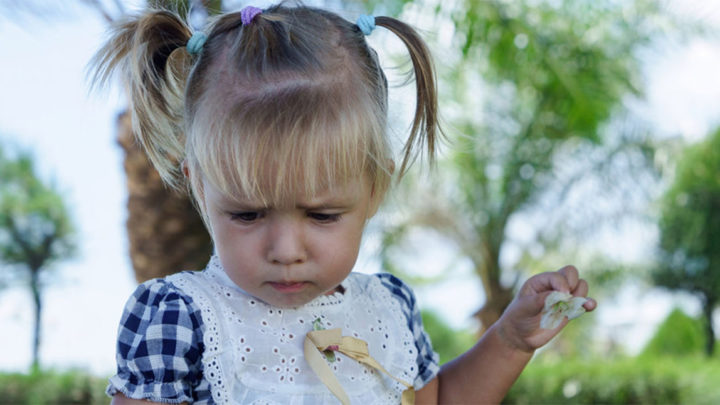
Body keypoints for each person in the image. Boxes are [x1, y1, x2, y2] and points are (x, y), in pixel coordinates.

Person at [92, 3, 597, 404]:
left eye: (322, 215)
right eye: (247, 213)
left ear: (375, 188)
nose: (286, 249)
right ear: (200, 187)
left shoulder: (389, 311)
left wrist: (509, 340)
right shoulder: (183, 319)